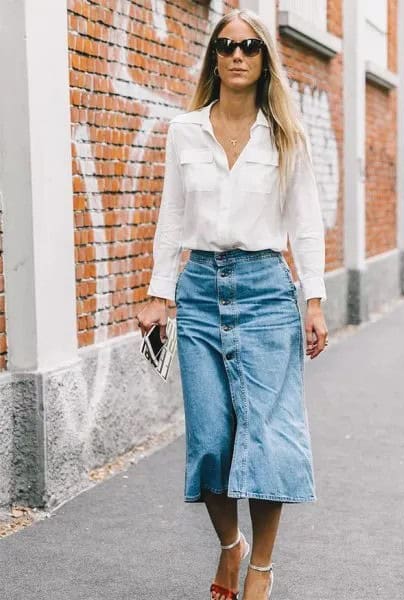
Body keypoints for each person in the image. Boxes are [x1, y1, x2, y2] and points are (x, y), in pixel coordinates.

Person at [137, 9, 328, 600]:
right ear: (214, 58)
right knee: (212, 438)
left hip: (267, 290)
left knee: (269, 436)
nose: (238, 54)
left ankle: (262, 566)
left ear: (264, 59)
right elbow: (171, 218)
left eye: (250, 46)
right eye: (227, 46)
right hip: (198, 292)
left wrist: (314, 301)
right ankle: (230, 546)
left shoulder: (286, 136)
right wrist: (157, 294)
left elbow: (307, 223)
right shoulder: (184, 131)